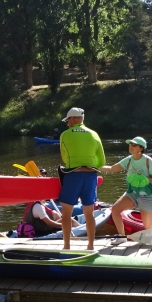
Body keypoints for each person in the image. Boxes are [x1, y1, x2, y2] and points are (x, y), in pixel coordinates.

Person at [58, 107, 105, 250]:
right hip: (91, 176)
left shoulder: (65, 135)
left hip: (73, 176)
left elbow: (65, 158)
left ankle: (66, 247)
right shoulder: (94, 134)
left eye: (68, 120)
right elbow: (102, 161)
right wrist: (90, 165)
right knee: (89, 214)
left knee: (66, 214)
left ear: (73, 119)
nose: (67, 124)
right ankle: (90, 246)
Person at [100, 136, 152, 246]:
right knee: (115, 209)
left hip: (147, 195)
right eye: (130, 144)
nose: (130, 146)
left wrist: (143, 178)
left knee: (148, 228)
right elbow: (111, 169)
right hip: (132, 192)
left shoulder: (147, 161)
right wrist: (96, 166)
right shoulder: (129, 160)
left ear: (141, 148)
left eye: (133, 145)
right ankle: (122, 237)